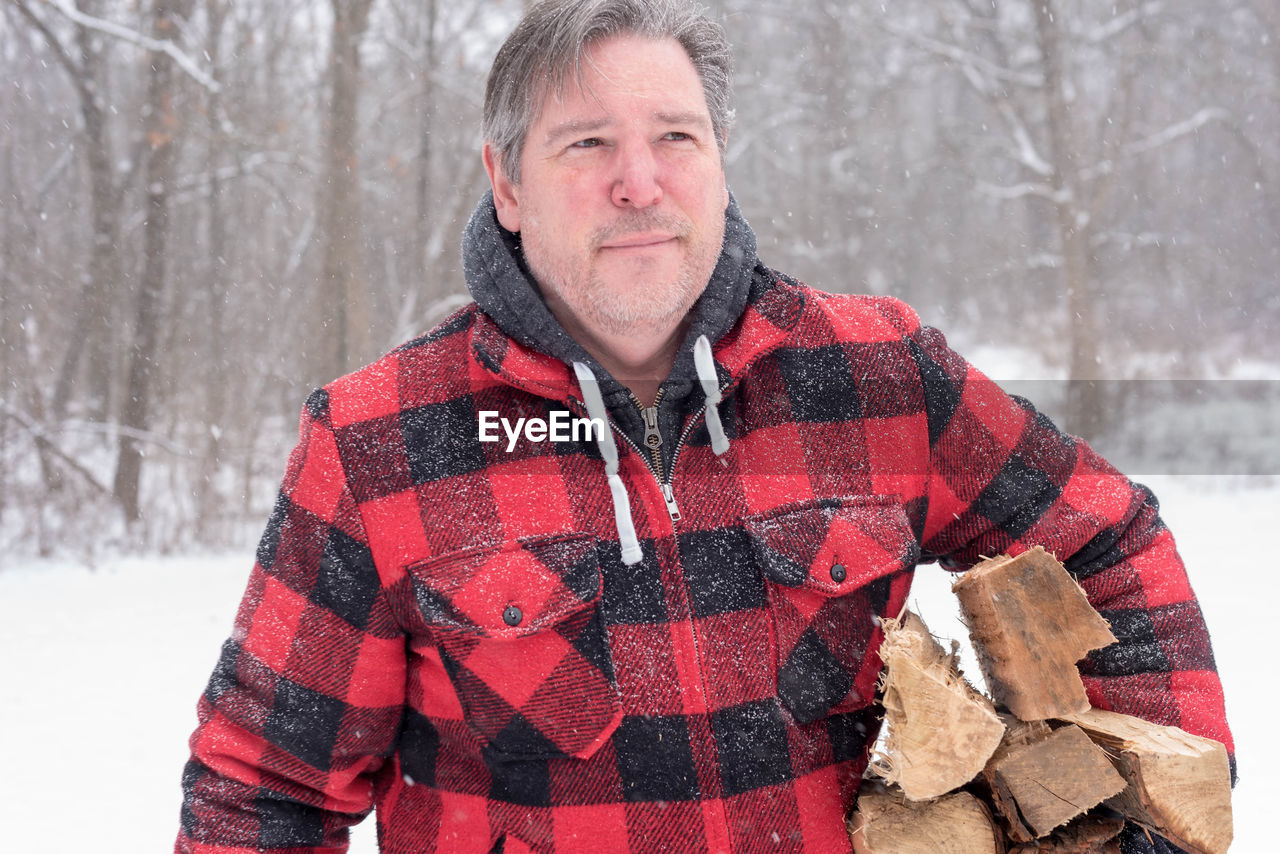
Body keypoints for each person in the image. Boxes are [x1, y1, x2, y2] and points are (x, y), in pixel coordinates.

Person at [176, 1, 1232, 852]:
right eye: (586, 143)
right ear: (506, 183)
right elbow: (264, 788)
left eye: (672, 137)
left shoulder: (874, 374)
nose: (639, 183)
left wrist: (1150, 818)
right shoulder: (378, 440)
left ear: (718, 157)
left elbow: (1105, 538)